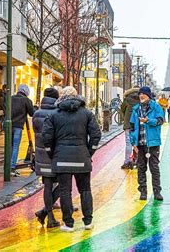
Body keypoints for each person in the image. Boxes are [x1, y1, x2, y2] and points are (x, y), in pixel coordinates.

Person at [42, 86, 101, 232]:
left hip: (61, 158)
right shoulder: (87, 114)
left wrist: (52, 154)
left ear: (61, 97)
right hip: (82, 157)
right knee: (85, 190)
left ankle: (68, 224)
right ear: (77, 96)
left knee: (64, 192)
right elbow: (96, 135)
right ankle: (88, 221)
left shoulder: (54, 115)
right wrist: (89, 152)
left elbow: (47, 137)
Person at [130, 86, 165, 201]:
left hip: (153, 143)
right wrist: (133, 142)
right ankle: (143, 192)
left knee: (154, 168)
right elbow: (131, 127)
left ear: (148, 96)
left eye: (143, 94)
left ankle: (157, 192)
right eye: (140, 94)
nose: (141, 96)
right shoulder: (135, 109)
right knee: (141, 168)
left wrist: (148, 121)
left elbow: (160, 121)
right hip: (140, 144)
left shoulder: (156, 107)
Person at [33, 87, 61, 228]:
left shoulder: (37, 113)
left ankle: (48, 215)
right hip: (55, 154)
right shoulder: (57, 113)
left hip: (41, 154)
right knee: (63, 184)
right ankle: (45, 214)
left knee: (47, 185)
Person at [11, 84, 35, 177]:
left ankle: (8, 165)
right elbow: (32, 113)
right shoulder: (27, 100)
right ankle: (12, 167)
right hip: (18, 126)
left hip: (9, 126)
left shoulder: (11, 98)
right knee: (16, 147)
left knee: (10, 146)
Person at [120, 86, 140, 169]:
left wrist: (125, 118)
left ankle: (126, 161)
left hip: (128, 124)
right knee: (138, 142)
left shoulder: (127, 99)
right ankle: (138, 160)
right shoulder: (142, 98)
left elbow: (122, 109)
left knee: (128, 143)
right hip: (138, 124)